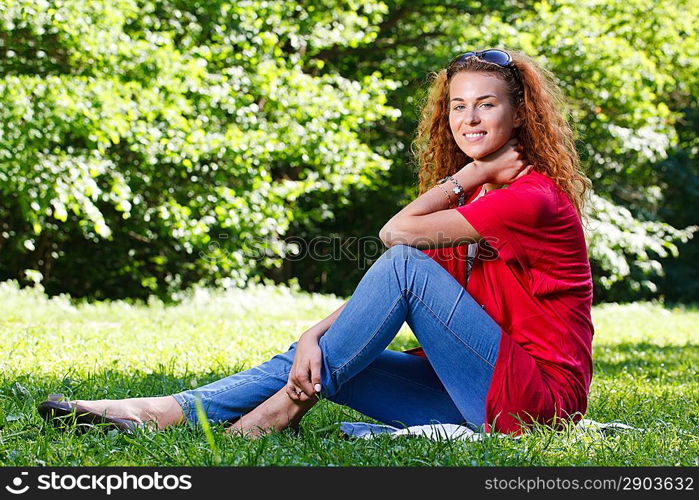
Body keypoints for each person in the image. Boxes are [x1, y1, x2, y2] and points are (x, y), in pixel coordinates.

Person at [38, 49, 594, 437]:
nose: (468, 118)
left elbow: (397, 240)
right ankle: (160, 412)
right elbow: (398, 290)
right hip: (472, 392)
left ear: (520, 112)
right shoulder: (475, 208)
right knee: (310, 358)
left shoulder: (532, 198)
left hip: (535, 402)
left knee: (401, 264)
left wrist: (465, 178)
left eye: (487, 104)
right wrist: (313, 333)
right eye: (457, 105)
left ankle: (277, 414)